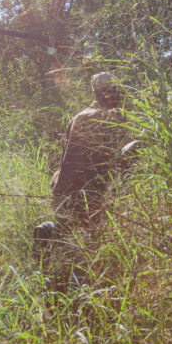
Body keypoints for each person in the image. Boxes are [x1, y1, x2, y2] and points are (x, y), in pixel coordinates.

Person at [48, 72, 128, 231]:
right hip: (82, 196)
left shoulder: (84, 115)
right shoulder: (98, 118)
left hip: (66, 193)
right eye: (113, 91)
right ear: (103, 93)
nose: (116, 96)